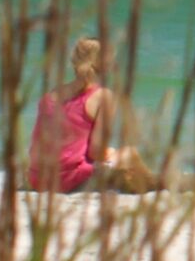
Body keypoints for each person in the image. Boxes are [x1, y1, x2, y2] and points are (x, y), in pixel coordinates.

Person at [28, 37, 159, 194]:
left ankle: (147, 183)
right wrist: (109, 153)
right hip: (68, 180)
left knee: (117, 162)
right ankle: (154, 185)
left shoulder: (52, 94)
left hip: (37, 178)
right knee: (130, 154)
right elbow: (95, 152)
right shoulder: (103, 97)